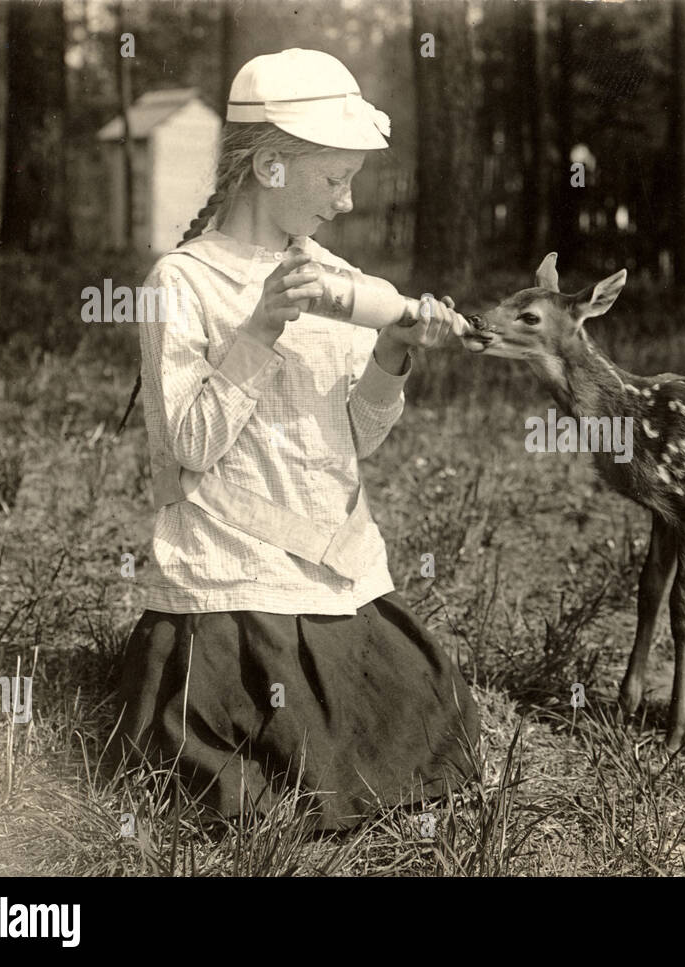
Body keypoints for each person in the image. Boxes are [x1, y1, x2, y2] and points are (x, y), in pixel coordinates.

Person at [112, 48, 481, 830]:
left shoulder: (333, 275)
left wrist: (392, 354)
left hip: (327, 566)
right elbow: (188, 446)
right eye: (334, 178)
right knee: (252, 755)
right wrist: (258, 330)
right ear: (272, 166)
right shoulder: (182, 283)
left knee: (428, 707)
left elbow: (357, 436)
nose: (345, 202)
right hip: (233, 575)